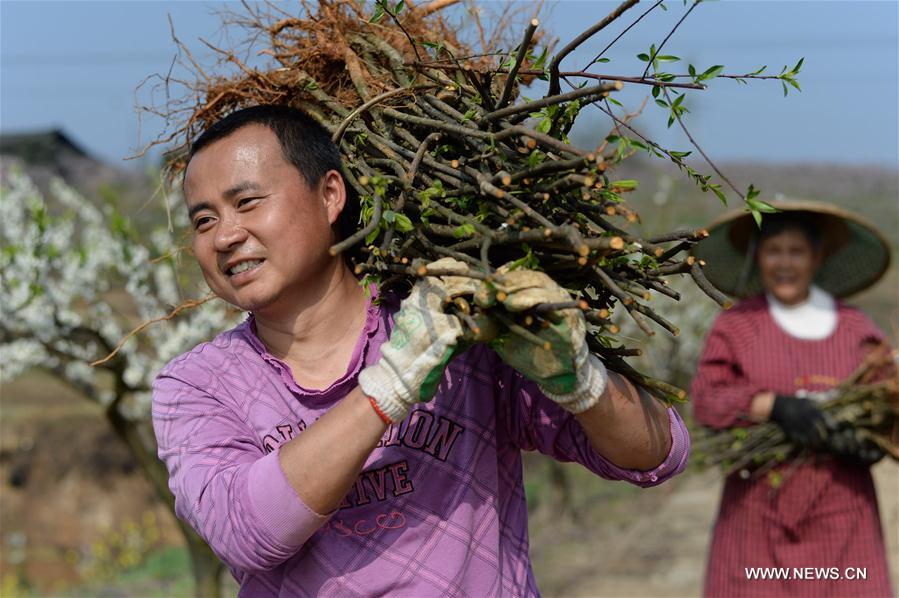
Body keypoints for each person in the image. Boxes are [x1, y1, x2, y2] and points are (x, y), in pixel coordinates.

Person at [151, 105, 690, 596]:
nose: (225, 236)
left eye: (247, 202)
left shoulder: (456, 325)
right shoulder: (198, 386)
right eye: (204, 220)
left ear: (330, 195)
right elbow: (247, 533)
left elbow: (658, 454)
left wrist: (580, 379)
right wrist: (391, 386)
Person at [690, 201, 894, 597]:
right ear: (757, 256)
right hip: (755, 516)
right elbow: (707, 399)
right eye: (773, 251)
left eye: (796, 252)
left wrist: (870, 443)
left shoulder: (856, 330)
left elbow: (888, 402)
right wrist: (775, 406)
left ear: (818, 257)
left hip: (843, 518)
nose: (785, 264)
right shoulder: (737, 325)